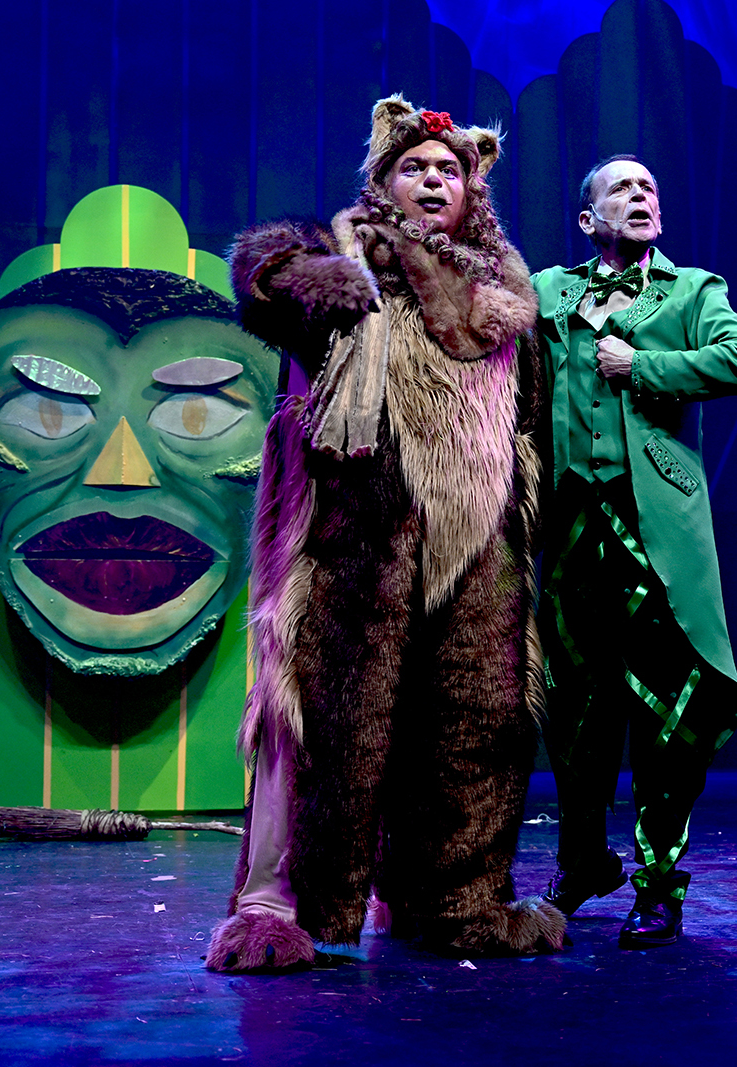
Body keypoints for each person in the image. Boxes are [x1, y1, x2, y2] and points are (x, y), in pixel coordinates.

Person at [204, 96, 564, 972]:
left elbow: (530, 423)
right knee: (327, 720)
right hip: (354, 534)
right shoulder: (348, 258)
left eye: (449, 169)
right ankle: (277, 905)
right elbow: (262, 279)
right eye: (414, 167)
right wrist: (305, 274)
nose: (433, 179)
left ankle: (458, 900)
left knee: (476, 729)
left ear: (474, 188)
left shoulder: (505, 295)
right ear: (384, 179)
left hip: (477, 544)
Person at [533, 155, 737, 947]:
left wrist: (645, 366)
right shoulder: (547, 290)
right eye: (622, 188)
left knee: (668, 710)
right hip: (571, 528)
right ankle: (581, 861)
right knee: (574, 710)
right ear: (587, 218)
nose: (641, 195)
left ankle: (659, 884)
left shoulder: (691, 290)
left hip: (653, 528)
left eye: (650, 188)